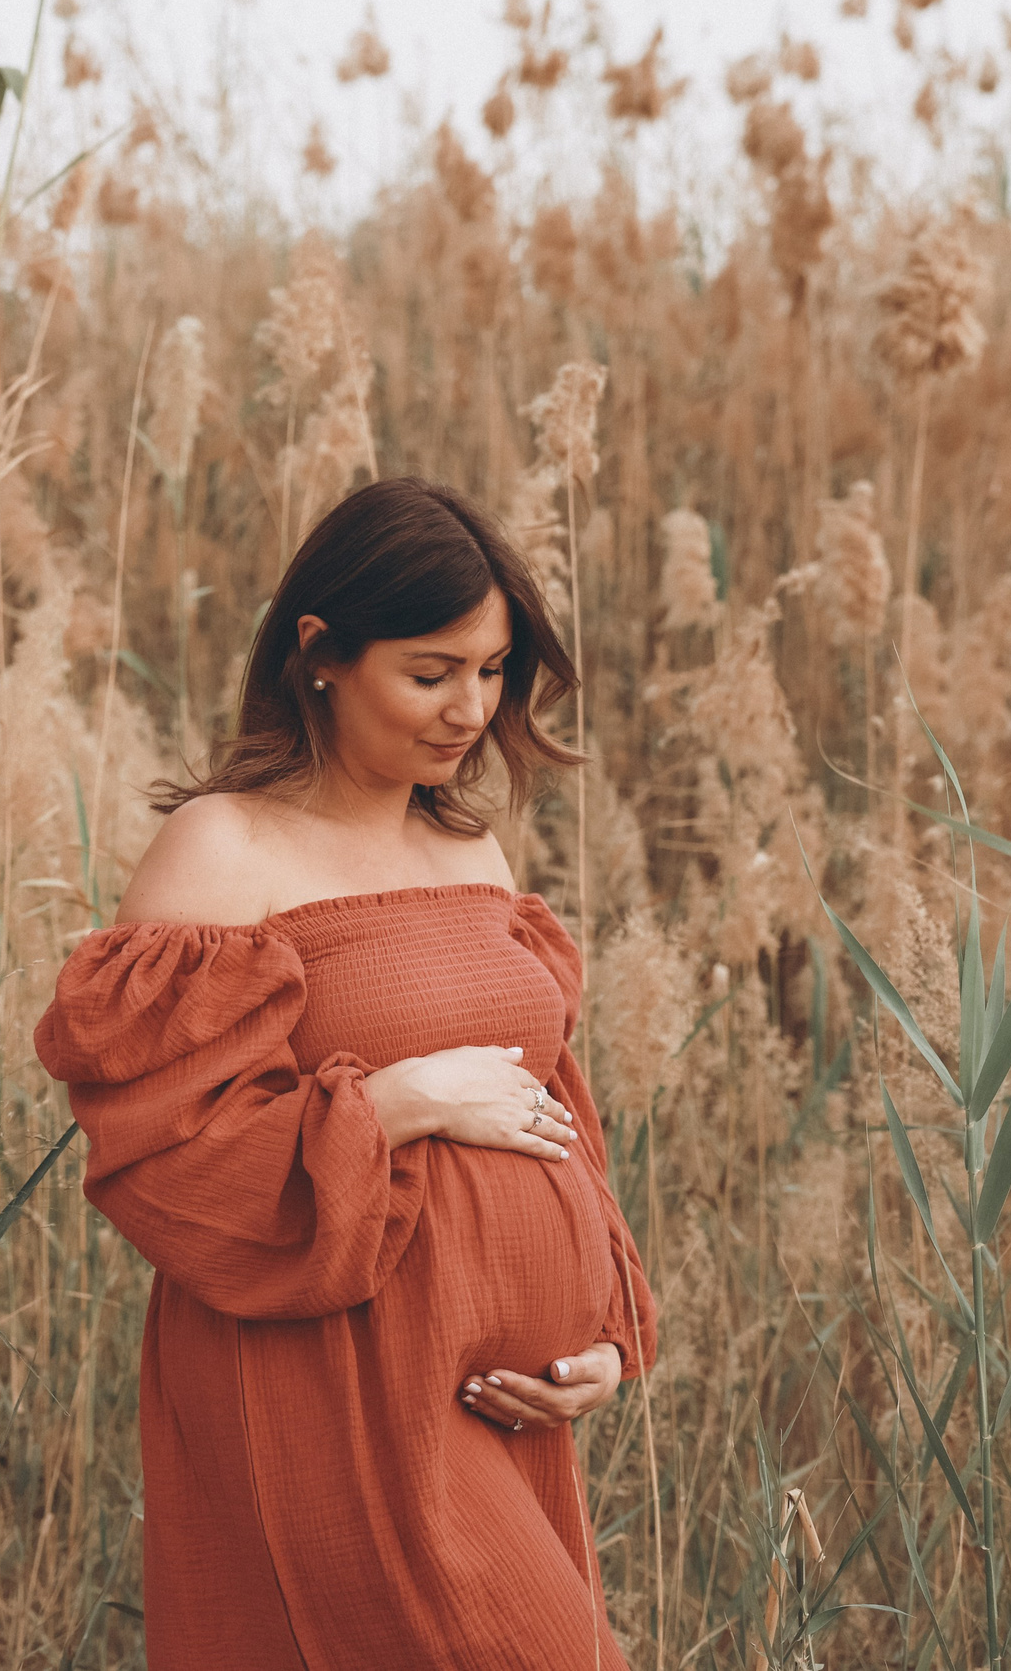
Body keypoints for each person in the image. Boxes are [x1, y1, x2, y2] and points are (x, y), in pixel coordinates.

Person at [34, 477, 659, 1670]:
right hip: (333, 1376)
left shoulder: (468, 843)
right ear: (319, 653)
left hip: (497, 1399)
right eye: (430, 673)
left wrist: (609, 1334)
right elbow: (162, 1152)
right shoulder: (226, 848)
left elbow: (549, 1101)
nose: (469, 708)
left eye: (491, 671)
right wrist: (396, 1100)